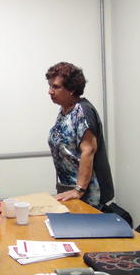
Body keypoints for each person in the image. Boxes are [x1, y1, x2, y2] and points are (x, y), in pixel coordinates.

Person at [45, 62, 114, 209]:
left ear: (72, 89)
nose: (50, 91)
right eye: (50, 86)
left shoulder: (82, 111)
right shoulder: (64, 111)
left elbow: (88, 151)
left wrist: (79, 190)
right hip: (68, 187)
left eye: (56, 87)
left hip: (87, 192)